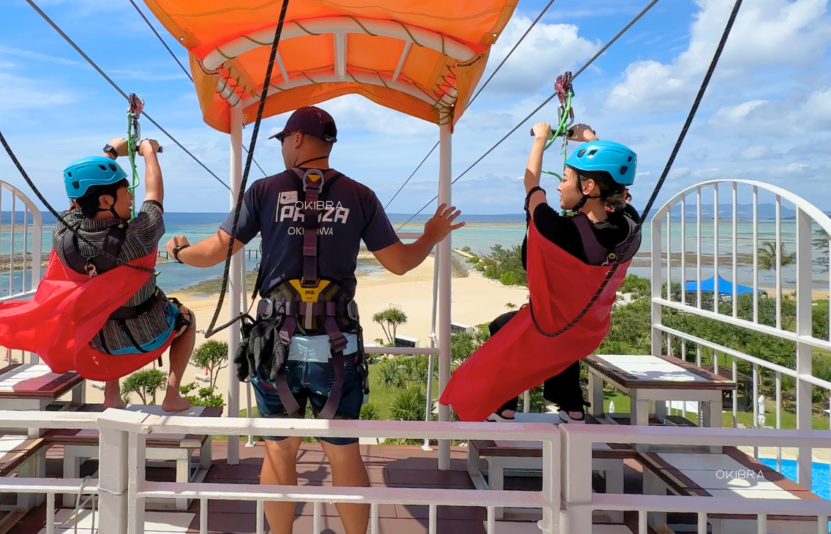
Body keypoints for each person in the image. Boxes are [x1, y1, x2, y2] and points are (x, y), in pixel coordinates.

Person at [164, 106, 463, 534]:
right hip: (337, 349)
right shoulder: (360, 195)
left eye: (284, 140)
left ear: (298, 139)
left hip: (275, 351)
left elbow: (213, 251)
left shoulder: (264, 191)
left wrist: (178, 252)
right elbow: (398, 262)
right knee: (343, 453)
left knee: (279, 452)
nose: (284, 148)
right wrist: (431, 236)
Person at [487, 121, 640, 422]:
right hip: (589, 328)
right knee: (564, 334)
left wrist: (540, 139)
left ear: (588, 187)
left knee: (505, 328)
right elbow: (617, 190)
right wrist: (591, 140)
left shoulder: (559, 230)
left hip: (552, 324)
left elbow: (532, 184)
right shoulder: (630, 224)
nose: (559, 184)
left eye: (566, 178)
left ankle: (504, 404)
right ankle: (569, 403)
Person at [52, 137, 196, 411]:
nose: (132, 197)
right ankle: (173, 394)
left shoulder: (63, 234)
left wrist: (108, 154)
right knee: (187, 318)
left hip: (98, 340)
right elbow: (154, 198)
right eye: (126, 191)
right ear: (106, 199)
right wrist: (149, 152)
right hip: (149, 334)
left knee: (105, 306)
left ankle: (111, 395)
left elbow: (77, 204)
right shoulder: (137, 235)